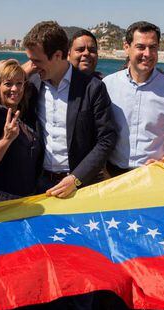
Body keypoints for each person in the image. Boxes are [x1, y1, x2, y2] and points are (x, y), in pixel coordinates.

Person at [23, 21, 116, 198]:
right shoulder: (33, 85)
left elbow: (107, 139)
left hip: (81, 186)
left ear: (58, 55)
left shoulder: (92, 88)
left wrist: (76, 179)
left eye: (37, 60)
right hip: (41, 184)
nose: (32, 66)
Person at [103, 21, 164, 177]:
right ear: (127, 48)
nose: (147, 54)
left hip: (153, 177)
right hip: (112, 175)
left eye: (153, 47)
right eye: (140, 47)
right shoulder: (108, 84)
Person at [0, 59, 42, 204]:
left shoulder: (24, 115)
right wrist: (6, 139)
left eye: (19, 83)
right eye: (8, 84)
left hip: (28, 200)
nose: (15, 89)